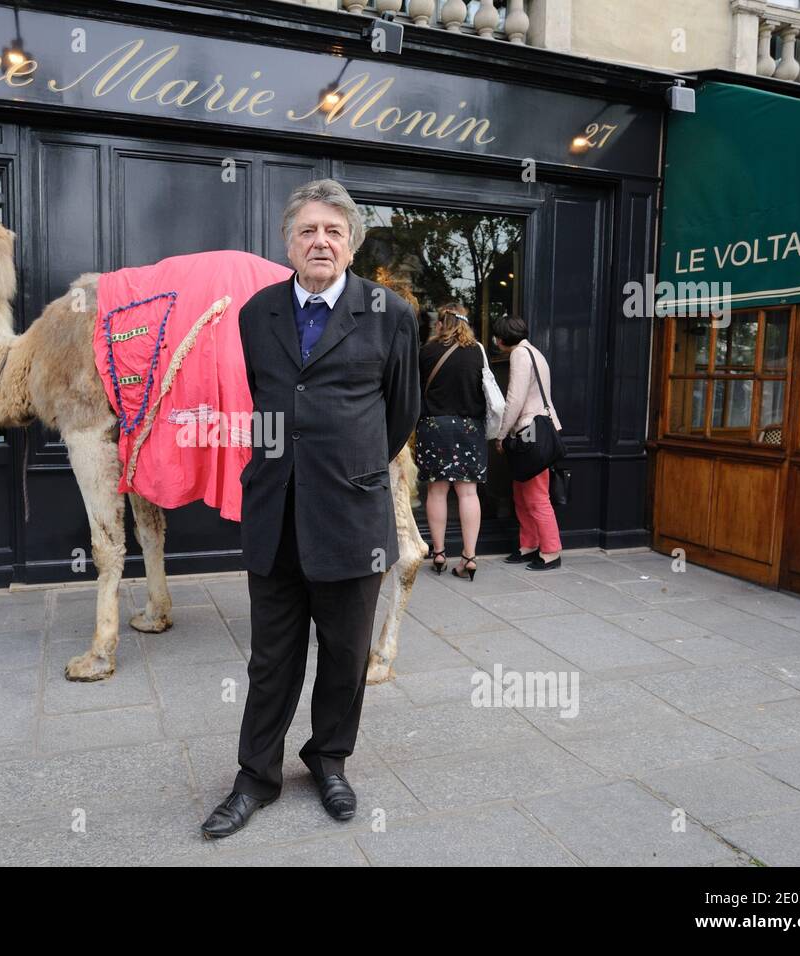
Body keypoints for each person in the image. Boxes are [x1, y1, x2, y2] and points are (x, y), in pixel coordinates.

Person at [200, 179, 419, 839]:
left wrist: (348, 469)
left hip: (352, 515)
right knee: (271, 658)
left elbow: (400, 412)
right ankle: (255, 777)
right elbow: (263, 395)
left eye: (332, 230)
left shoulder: (390, 313)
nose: (320, 241)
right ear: (288, 242)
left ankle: (329, 760)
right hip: (274, 513)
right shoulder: (256, 313)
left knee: (346, 652)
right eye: (307, 231)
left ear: (350, 243)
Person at [415, 302, 487, 579]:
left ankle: (440, 553)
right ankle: (469, 556)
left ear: (440, 324)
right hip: (470, 427)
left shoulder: (427, 351)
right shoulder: (477, 352)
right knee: (468, 493)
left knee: (437, 492)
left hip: (434, 426)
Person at [491, 314, 563, 570]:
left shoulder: (520, 355)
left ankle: (551, 551)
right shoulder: (534, 352)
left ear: (501, 339)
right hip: (535, 430)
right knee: (522, 494)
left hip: (529, 432)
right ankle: (529, 545)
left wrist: (500, 434)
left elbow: (515, 399)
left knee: (535, 496)